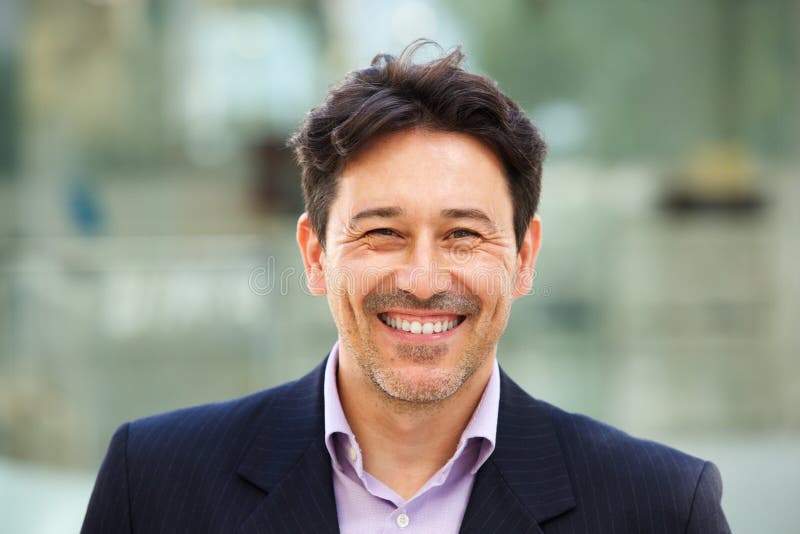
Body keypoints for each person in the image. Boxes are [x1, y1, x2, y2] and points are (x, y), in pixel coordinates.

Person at [81, 41, 731, 533]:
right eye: (383, 233)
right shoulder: (155, 488)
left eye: (463, 236)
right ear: (314, 254)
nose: (423, 281)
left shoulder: (663, 508)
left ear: (525, 257)